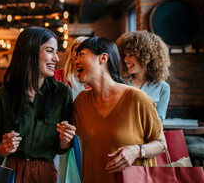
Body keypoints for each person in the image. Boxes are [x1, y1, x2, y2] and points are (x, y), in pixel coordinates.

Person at [0, 27, 76, 183]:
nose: (56, 58)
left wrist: (65, 140)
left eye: (56, 52)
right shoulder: (3, 94)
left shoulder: (63, 93)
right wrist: (4, 147)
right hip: (10, 171)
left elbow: (61, 149)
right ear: (29, 54)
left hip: (45, 173)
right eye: (50, 51)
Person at [73, 37, 166, 183]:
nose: (76, 61)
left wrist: (137, 151)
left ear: (103, 58)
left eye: (81, 55)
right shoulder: (81, 101)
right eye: (75, 57)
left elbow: (161, 144)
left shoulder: (137, 98)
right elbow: (70, 140)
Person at [115, 30, 171, 122]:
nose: (126, 59)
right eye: (125, 55)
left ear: (146, 57)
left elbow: (159, 121)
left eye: (131, 55)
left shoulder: (163, 88)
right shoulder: (119, 83)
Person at [54, 36, 88, 183]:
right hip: (60, 131)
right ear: (72, 53)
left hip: (83, 133)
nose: (79, 55)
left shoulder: (90, 81)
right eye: (77, 50)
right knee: (60, 173)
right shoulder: (57, 76)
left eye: (84, 51)